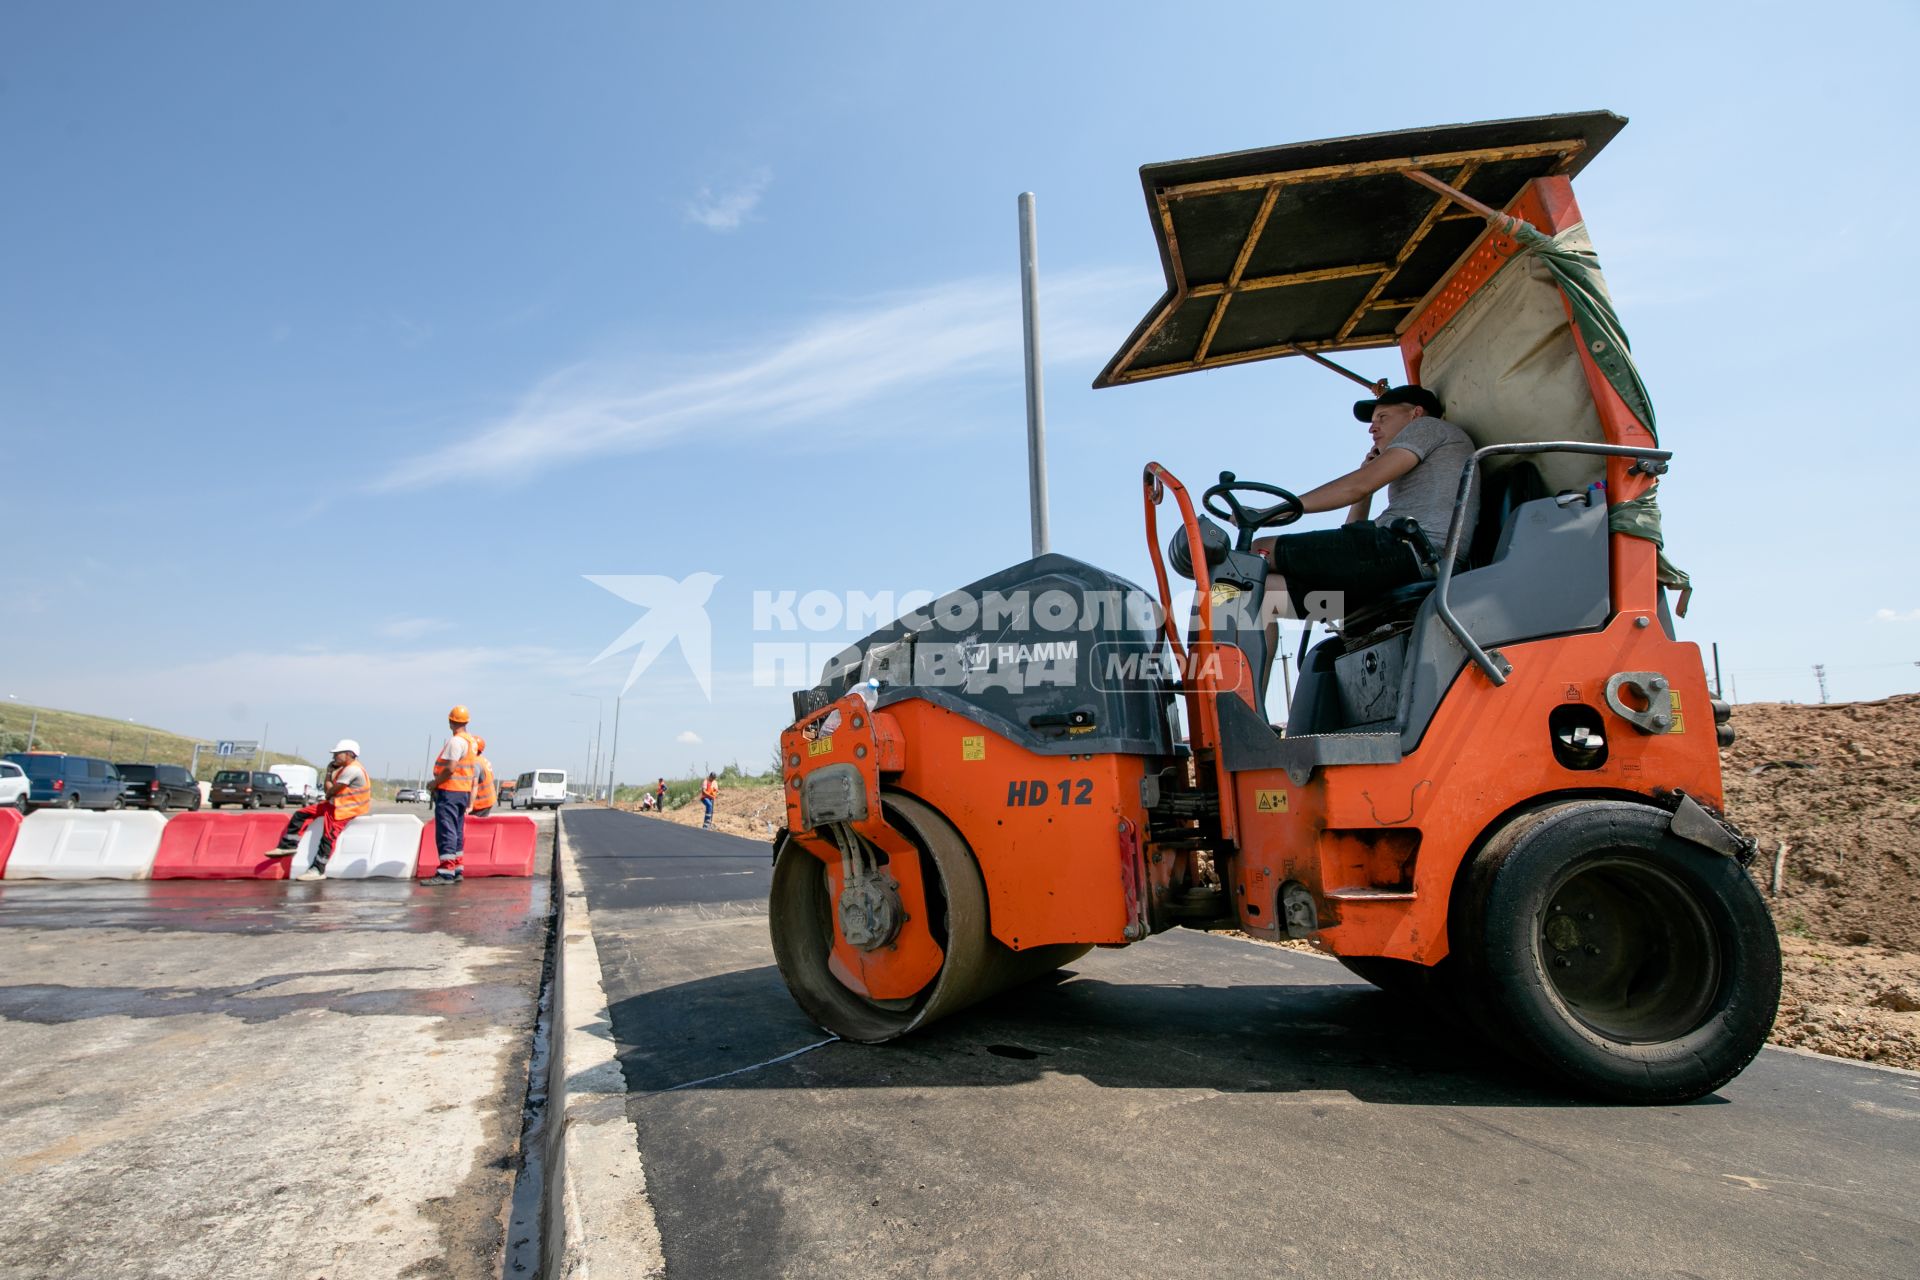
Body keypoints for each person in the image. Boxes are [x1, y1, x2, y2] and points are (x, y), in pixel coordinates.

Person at [1252, 385, 1475, 620]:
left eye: (1382, 417)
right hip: (1389, 563)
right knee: (1255, 588)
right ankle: (1231, 657)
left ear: (1415, 413)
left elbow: (1355, 487)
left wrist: (1272, 512)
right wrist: (1367, 486)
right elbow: (1351, 530)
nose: (1372, 428)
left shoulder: (1428, 427)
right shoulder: (1421, 463)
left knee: (1258, 551)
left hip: (1414, 551)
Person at [270, 739, 372, 881]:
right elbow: (328, 790)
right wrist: (329, 773)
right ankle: (288, 846)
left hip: (346, 809)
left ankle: (318, 870)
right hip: (335, 804)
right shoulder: (343, 769)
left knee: (328, 837)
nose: (334, 757)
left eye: (338, 753)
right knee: (301, 814)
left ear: (349, 754)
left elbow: (331, 791)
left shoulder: (353, 770)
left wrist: (330, 776)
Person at [424, 705, 479, 885]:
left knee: (446, 830)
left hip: (450, 791)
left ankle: (445, 871)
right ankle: (456, 868)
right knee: (456, 830)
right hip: (462, 792)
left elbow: (450, 768)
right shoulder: (471, 742)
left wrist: (434, 783)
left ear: (450, 722)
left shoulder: (456, 742)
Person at [469, 736, 497, 819]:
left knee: (473, 827)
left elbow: (474, 785)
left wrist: (470, 806)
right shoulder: (483, 760)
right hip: (488, 799)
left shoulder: (475, 764)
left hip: (481, 803)